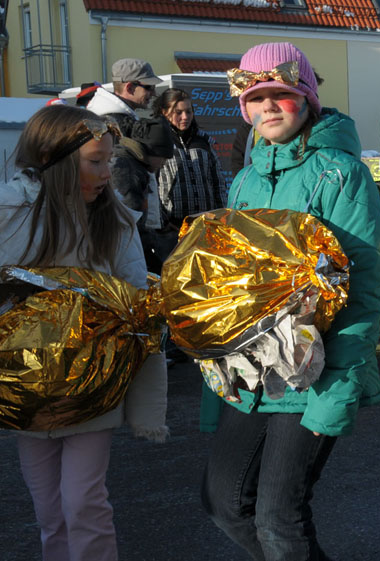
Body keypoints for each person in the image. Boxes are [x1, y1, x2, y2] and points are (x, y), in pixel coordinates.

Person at [200, 42, 380, 561]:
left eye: (280, 94)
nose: (267, 107)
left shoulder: (341, 174)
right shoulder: (244, 179)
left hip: (313, 372)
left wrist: (340, 387)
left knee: (279, 519)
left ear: (306, 98)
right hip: (253, 372)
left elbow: (364, 289)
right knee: (223, 502)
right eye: (255, 97)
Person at [0, 104, 167, 561]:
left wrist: (147, 405)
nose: (106, 173)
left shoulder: (113, 222)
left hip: (92, 392)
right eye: (95, 161)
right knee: (49, 511)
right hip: (26, 396)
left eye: (108, 160)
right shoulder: (8, 216)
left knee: (83, 504)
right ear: (51, 159)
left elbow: (139, 312)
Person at [152, 88, 229, 246]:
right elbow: (150, 185)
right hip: (172, 227)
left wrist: (221, 215)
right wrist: (163, 221)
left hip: (204, 225)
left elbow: (218, 183)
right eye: (178, 112)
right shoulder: (158, 142)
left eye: (189, 111)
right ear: (164, 112)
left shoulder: (203, 141)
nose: (185, 117)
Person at [110, 116, 176, 274]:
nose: (164, 163)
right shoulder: (128, 170)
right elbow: (131, 216)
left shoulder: (135, 165)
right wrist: (148, 249)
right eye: (163, 157)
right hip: (127, 250)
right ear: (152, 151)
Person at [87, 58, 162, 137]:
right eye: (149, 87)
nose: (154, 94)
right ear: (129, 88)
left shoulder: (109, 117)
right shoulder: (116, 125)